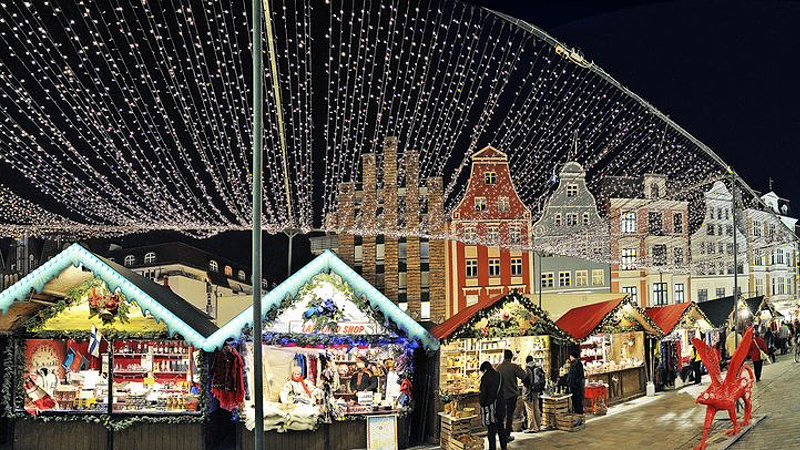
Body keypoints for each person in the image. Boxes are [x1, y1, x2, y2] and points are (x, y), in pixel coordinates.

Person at [496, 349, 527, 442]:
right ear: (511, 357)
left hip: (501, 396)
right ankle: (507, 435)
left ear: (504, 356)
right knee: (509, 416)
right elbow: (524, 375)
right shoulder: (513, 366)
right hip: (512, 395)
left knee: (501, 416)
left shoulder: (498, 367)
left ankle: (501, 435)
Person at [479, 361, 507, 450]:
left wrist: (482, 403)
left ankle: (492, 448)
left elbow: (483, 394)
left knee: (491, 430)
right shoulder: (499, 375)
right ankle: (504, 446)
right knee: (501, 427)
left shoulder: (485, 378)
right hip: (501, 405)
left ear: (484, 369)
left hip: (491, 407)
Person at [522, 355, 543, 433]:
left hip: (529, 393)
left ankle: (532, 427)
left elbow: (525, 380)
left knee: (529, 410)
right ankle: (538, 425)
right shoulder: (537, 367)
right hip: (536, 391)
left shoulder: (527, 369)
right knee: (536, 408)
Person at [566, 347, 585, 427]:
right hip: (573, 388)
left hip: (577, 388)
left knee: (578, 404)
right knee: (575, 403)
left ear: (572, 356)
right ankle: (577, 419)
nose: (569, 357)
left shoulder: (578, 364)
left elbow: (581, 375)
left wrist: (575, 383)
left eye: (570, 356)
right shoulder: (572, 364)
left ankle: (579, 420)